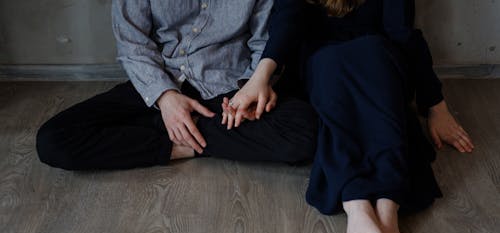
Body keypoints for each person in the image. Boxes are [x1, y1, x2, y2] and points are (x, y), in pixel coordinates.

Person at [224, 0, 474, 233]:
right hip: (320, 67)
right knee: (333, 67)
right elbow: (288, 22)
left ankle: (388, 209)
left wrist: (436, 106)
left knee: (372, 57)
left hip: (379, 63)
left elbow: (403, 34)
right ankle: (357, 204)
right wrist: (259, 79)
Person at [35, 0, 318, 171]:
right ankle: (186, 142)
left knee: (305, 130)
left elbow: (263, 42)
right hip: (160, 81)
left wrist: (247, 89)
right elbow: (132, 42)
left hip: (227, 88)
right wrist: (165, 97)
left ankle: (180, 135)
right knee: (54, 140)